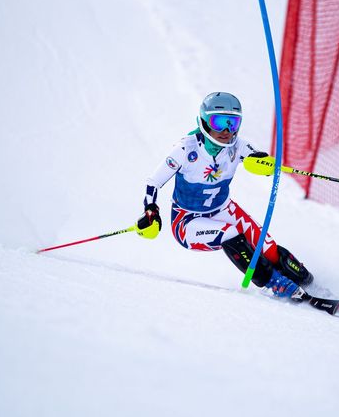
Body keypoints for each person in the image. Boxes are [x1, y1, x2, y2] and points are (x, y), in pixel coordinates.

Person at [134, 92, 313, 299]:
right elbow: (153, 182)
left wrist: (266, 165)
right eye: (219, 122)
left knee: (268, 248)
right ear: (203, 121)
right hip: (187, 221)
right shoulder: (185, 149)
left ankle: (309, 282)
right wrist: (151, 210)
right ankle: (275, 283)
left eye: (233, 123)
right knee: (230, 234)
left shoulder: (238, 147)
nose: (227, 131)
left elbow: (259, 160)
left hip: (223, 209)